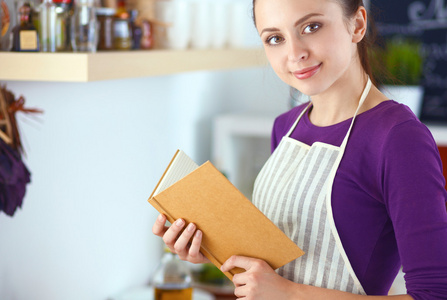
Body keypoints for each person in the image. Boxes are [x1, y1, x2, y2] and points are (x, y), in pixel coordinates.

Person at [152, 0, 447, 299]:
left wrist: (289, 294)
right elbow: (281, 267)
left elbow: (435, 294)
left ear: (357, 24)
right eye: (275, 38)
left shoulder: (398, 138)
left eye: (311, 27)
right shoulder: (285, 127)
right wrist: (214, 249)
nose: (295, 54)